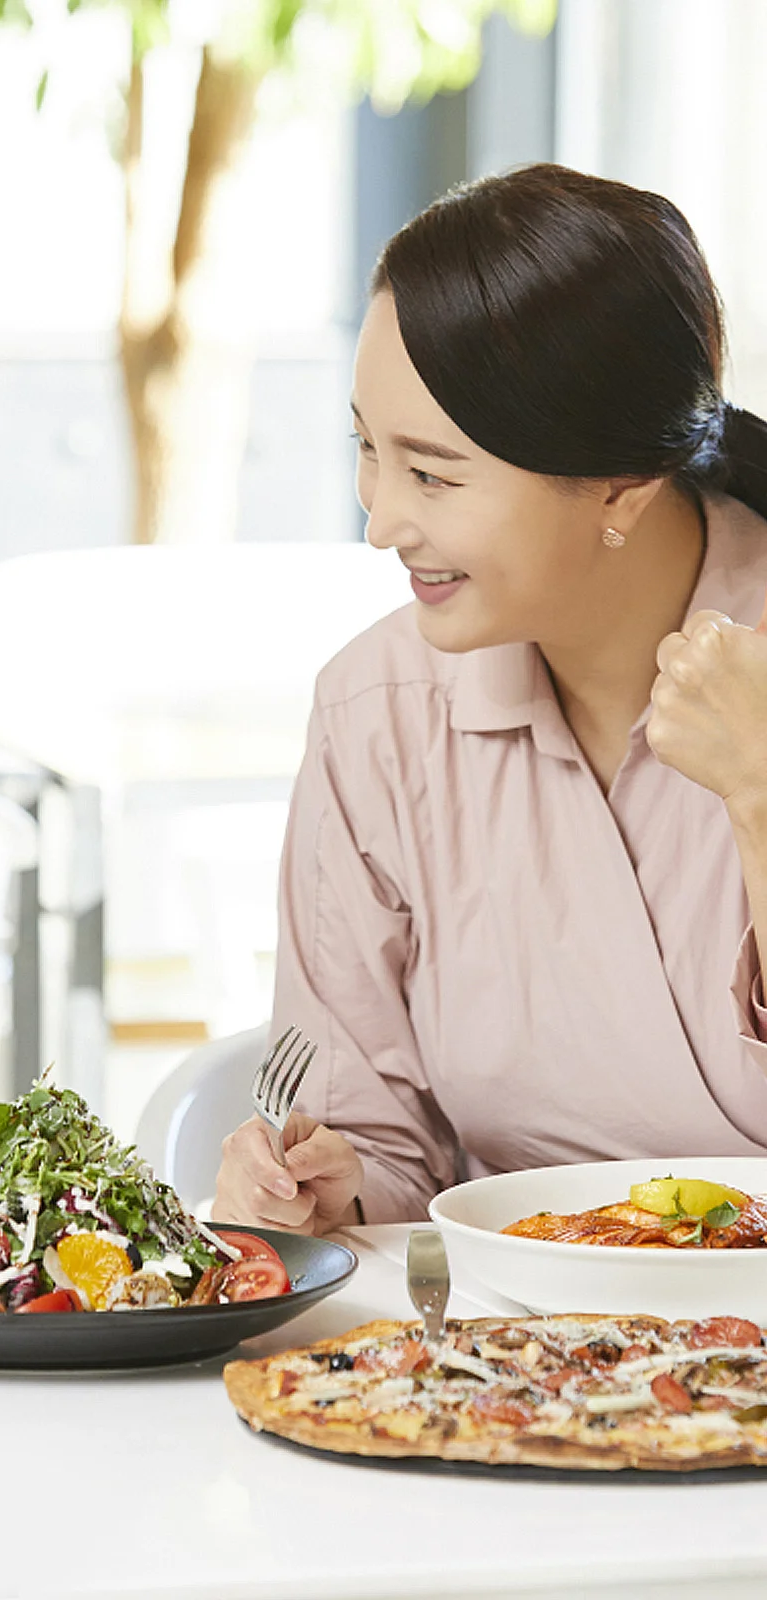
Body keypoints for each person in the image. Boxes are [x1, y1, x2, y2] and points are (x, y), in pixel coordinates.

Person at [213, 164, 767, 1235]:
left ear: (619, 483)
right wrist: (331, 1183)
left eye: (434, 474)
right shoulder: (377, 715)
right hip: (506, 1353)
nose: (380, 521)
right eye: (368, 452)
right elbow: (375, 1139)